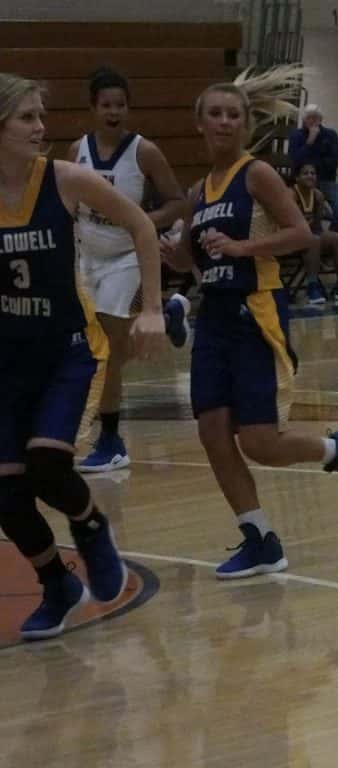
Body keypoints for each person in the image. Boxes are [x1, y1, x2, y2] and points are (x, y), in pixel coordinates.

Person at [160, 70, 338, 579]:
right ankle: (259, 539)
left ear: (245, 124)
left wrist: (242, 247)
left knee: (259, 442)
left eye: (232, 114)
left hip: (255, 311)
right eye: (215, 114)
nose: (224, 121)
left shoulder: (255, 174)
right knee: (213, 433)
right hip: (214, 316)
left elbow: (301, 234)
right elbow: (193, 260)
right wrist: (175, 255)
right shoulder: (198, 192)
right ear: (199, 123)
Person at [0, 73, 166, 639]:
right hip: (8, 359)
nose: (40, 127)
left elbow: (141, 224)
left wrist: (152, 308)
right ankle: (57, 585)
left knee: (48, 467)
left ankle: (91, 527)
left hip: (67, 350)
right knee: (6, 494)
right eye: (26, 117)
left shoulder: (64, 179)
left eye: (40, 115)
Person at [72, 67, 191, 473]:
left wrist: (142, 221)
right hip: (85, 256)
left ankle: (111, 441)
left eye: (120, 105)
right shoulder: (76, 151)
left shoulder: (144, 151)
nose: (114, 112)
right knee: (101, 347)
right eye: (106, 105)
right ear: (92, 108)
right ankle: (169, 314)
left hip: (128, 257)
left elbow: (178, 203)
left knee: (108, 348)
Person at [292, 162, 338, 305]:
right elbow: (290, 224)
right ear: (297, 178)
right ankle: (312, 286)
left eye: (313, 173)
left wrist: (320, 208)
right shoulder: (291, 194)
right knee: (314, 239)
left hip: (311, 234)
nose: (310, 176)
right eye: (305, 173)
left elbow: (317, 226)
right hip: (292, 236)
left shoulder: (317, 195)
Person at [287, 104, 338, 226]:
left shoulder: (331, 135)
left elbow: (334, 162)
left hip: (325, 180)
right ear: (304, 120)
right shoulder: (296, 135)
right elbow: (295, 160)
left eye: (315, 118)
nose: (312, 121)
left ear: (320, 119)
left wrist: (311, 164)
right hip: (301, 181)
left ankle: (330, 233)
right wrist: (309, 142)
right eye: (309, 118)